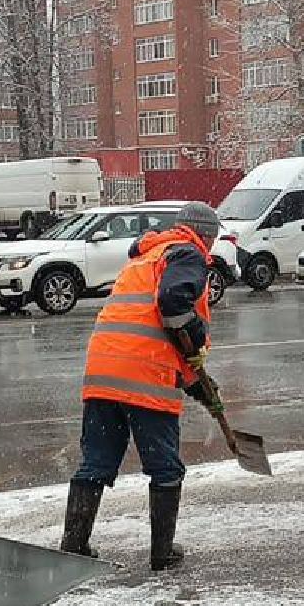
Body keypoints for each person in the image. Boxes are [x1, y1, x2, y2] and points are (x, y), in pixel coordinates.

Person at [60, 202, 216, 571]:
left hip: (103, 370)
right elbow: (173, 308)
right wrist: (196, 339)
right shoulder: (189, 254)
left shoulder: (145, 257)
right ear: (204, 234)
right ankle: (162, 554)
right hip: (144, 376)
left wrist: (198, 384)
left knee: (96, 462)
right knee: (165, 469)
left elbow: (158, 326)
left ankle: (73, 546)